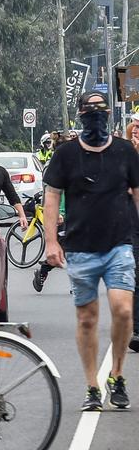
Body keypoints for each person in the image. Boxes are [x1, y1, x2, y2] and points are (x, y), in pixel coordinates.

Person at [42, 92, 136, 411]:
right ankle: (92, 386)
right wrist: (51, 242)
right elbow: (52, 198)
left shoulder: (125, 152)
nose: (96, 116)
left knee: (123, 310)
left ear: (109, 114)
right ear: (80, 114)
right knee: (87, 319)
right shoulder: (65, 154)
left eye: (101, 110)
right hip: (81, 248)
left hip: (119, 244)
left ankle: (117, 374)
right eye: (90, 110)